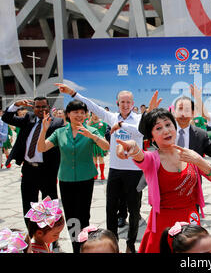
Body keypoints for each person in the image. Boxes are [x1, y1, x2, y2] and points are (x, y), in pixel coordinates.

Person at [116, 108, 211, 253]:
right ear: (152, 137)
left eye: (168, 125)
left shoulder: (189, 155)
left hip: (191, 220)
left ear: (175, 127)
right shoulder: (152, 159)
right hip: (163, 224)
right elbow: (138, 153)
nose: (166, 131)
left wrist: (199, 161)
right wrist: (131, 146)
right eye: (158, 128)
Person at [55, 83, 143, 253]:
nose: (125, 105)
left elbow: (140, 132)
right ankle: (113, 243)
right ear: (117, 103)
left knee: (134, 209)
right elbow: (92, 105)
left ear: (133, 103)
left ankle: (131, 243)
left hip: (134, 171)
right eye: (122, 102)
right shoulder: (111, 117)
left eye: (128, 102)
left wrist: (122, 125)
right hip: (116, 171)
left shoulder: (139, 119)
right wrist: (73, 93)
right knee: (111, 209)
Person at [37, 100, 109, 253]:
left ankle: (84, 247)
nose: (79, 115)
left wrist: (92, 136)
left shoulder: (90, 130)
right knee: (70, 217)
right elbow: (42, 148)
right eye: (75, 112)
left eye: (82, 112)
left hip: (86, 178)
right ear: (68, 114)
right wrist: (44, 130)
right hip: (66, 179)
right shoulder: (60, 132)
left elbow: (106, 146)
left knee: (83, 215)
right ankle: (76, 247)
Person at [1, 97, 64, 230]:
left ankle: (51, 237)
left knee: (50, 205)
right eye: (37, 107)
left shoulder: (57, 122)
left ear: (48, 107)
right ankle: (32, 233)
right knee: (28, 205)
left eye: (43, 107)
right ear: (33, 108)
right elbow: (6, 118)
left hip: (48, 171)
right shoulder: (28, 119)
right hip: (29, 169)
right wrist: (16, 105)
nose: (41, 109)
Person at [87, 112, 109, 180]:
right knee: (94, 159)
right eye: (93, 113)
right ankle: (95, 174)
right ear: (91, 114)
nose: (95, 115)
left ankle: (102, 174)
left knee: (101, 158)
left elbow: (106, 132)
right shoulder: (88, 123)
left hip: (100, 142)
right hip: (92, 142)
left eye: (96, 113)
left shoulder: (103, 122)